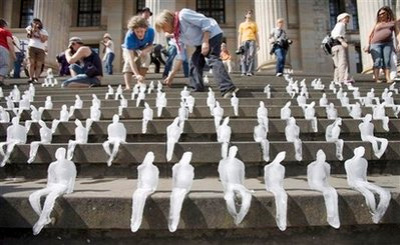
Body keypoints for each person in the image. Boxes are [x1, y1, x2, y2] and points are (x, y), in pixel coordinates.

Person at [155, 9, 238, 98]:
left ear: (167, 21)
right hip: (200, 42)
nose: (164, 31)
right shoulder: (176, 36)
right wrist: (171, 76)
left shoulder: (183, 15)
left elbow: (206, 22)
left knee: (211, 58)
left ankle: (228, 88)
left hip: (213, 34)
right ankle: (197, 87)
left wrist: (205, 42)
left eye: (163, 28)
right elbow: (180, 57)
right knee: (194, 61)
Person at [365, 6, 400, 83]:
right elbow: (370, 35)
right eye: (380, 14)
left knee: (387, 61)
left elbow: (397, 33)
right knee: (377, 61)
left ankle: (388, 78)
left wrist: (399, 43)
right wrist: (368, 45)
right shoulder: (377, 23)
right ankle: (376, 78)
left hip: (387, 44)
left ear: (388, 13)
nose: (381, 15)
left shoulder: (393, 23)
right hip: (375, 44)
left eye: (383, 13)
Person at [121, 16, 154, 90]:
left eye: (142, 31)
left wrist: (145, 51)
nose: (140, 34)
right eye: (137, 32)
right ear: (133, 30)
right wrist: (136, 74)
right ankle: (128, 86)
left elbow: (151, 45)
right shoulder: (129, 36)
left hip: (142, 47)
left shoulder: (151, 31)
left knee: (147, 57)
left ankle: (140, 81)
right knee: (128, 62)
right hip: (129, 48)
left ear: (145, 29)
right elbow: (131, 60)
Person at [25, 18, 48, 83]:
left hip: (41, 49)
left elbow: (43, 40)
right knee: (31, 63)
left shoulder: (44, 31)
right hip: (31, 47)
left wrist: (38, 32)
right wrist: (33, 30)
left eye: (37, 23)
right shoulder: (29, 28)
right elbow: (29, 36)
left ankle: (36, 77)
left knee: (39, 64)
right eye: (35, 23)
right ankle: (31, 77)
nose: (36, 24)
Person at [331, 13, 351, 84]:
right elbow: (336, 35)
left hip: (334, 46)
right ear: (341, 19)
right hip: (339, 45)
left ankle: (336, 79)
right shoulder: (341, 24)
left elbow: (333, 34)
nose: (348, 19)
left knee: (337, 64)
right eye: (346, 18)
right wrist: (342, 41)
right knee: (342, 62)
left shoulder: (336, 26)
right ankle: (342, 79)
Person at [238, 10, 259, 76]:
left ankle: (249, 71)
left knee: (251, 56)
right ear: (245, 15)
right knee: (244, 56)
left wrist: (258, 43)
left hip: (252, 40)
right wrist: (239, 44)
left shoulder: (254, 24)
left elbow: (256, 34)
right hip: (244, 41)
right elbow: (240, 34)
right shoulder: (242, 24)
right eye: (249, 13)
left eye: (251, 13)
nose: (250, 14)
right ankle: (244, 71)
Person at [0, 19, 16, 85]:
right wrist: (13, 54)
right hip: (2, 48)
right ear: (4, 25)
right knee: (5, 65)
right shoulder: (6, 31)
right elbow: (9, 42)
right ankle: (0, 80)